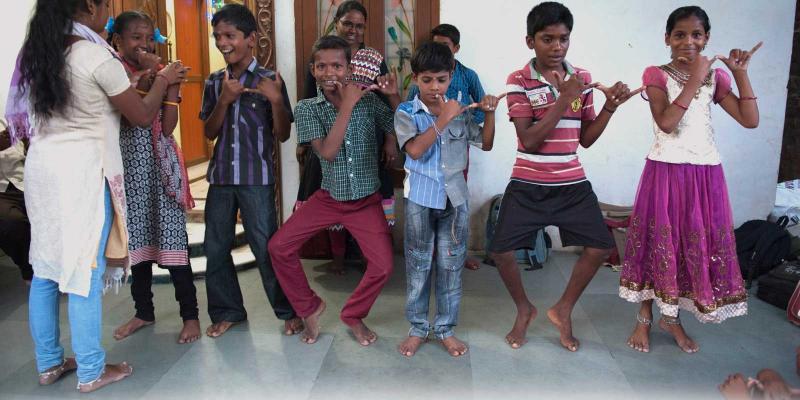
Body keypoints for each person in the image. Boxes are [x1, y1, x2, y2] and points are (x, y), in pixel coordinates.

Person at [7, 0, 186, 392]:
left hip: (42, 172)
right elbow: (141, 115)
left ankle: (49, 362)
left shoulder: (36, 53)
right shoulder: (92, 54)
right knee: (85, 272)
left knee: (45, 269)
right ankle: (91, 370)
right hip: (83, 175)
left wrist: (142, 81)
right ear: (89, 5)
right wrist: (163, 78)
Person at [489, 1, 640, 351]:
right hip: (528, 182)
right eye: (548, 39)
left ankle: (563, 308)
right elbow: (529, 140)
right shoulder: (518, 80)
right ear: (530, 41)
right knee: (501, 251)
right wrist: (563, 99)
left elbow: (585, 139)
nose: (557, 47)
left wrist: (610, 107)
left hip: (571, 182)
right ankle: (524, 308)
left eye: (564, 38)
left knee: (600, 246)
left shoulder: (581, 78)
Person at [620, 5, 759, 354]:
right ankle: (644, 316)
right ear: (667, 38)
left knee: (689, 245)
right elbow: (667, 123)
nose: (688, 42)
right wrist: (696, 78)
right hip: (665, 171)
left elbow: (750, 120)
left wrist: (740, 74)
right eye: (679, 35)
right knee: (659, 241)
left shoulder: (716, 78)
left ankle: (672, 318)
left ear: (707, 38)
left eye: (696, 35)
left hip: (705, 174)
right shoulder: (656, 74)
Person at [269, 35, 398, 347]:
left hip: (366, 201)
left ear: (349, 68)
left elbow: (400, 124)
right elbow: (327, 152)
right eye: (322, 66)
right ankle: (309, 307)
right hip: (329, 198)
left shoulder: (369, 101)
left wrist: (394, 97)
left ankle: (353, 314)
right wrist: (348, 104)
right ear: (313, 70)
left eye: (337, 66)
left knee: (383, 266)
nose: (330, 73)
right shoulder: (307, 108)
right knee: (279, 247)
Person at [199, 4, 301, 338]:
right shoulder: (215, 82)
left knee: (266, 246)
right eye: (217, 36)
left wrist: (276, 101)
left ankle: (288, 311)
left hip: (257, 179)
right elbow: (209, 132)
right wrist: (224, 101)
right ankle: (228, 311)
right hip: (220, 179)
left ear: (251, 39)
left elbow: (282, 134)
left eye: (230, 35)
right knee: (216, 248)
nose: (222, 43)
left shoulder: (270, 80)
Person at [395, 41, 497, 358]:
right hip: (420, 200)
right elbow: (414, 150)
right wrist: (443, 119)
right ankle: (417, 328)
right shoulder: (406, 112)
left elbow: (486, 143)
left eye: (441, 79)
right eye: (426, 80)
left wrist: (490, 114)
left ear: (451, 76)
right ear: (415, 78)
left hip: (455, 201)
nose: (434, 87)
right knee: (418, 265)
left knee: (451, 267)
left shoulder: (460, 112)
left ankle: (445, 329)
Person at [106, 10, 200, 345]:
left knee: (174, 242)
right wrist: (156, 80)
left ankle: (190, 316)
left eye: (149, 38)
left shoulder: (164, 72)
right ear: (117, 40)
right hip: (128, 170)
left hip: (161, 170)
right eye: (136, 37)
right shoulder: (114, 73)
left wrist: (170, 84)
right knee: (137, 246)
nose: (143, 44)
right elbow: (133, 118)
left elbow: (168, 127)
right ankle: (143, 312)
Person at [297, 0, 399, 275]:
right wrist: (303, 142)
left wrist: (390, 139)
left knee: (366, 195)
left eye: (359, 26)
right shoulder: (322, 56)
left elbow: (384, 101)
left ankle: (369, 256)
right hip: (328, 135)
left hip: (365, 136)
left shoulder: (373, 60)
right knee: (334, 190)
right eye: (348, 24)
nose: (354, 30)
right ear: (337, 23)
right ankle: (339, 257)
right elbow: (309, 96)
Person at [406, 23, 487, 271]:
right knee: (427, 200)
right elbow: (410, 108)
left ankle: (455, 251)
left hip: (456, 144)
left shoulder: (468, 75)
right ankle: (429, 253)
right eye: (435, 44)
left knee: (456, 196)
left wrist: (462, 127)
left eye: (445, 45)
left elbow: (481, 105)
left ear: (456, 48)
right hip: (427, 142)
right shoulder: (420, 82)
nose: (435, 85)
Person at [0, 117, 33, 284]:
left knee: (53, 212)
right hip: (2, 188)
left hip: (25, 174)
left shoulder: (8, 102)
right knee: (11, 222)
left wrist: (26, 140)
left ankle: (59, 269)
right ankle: (30, 272)